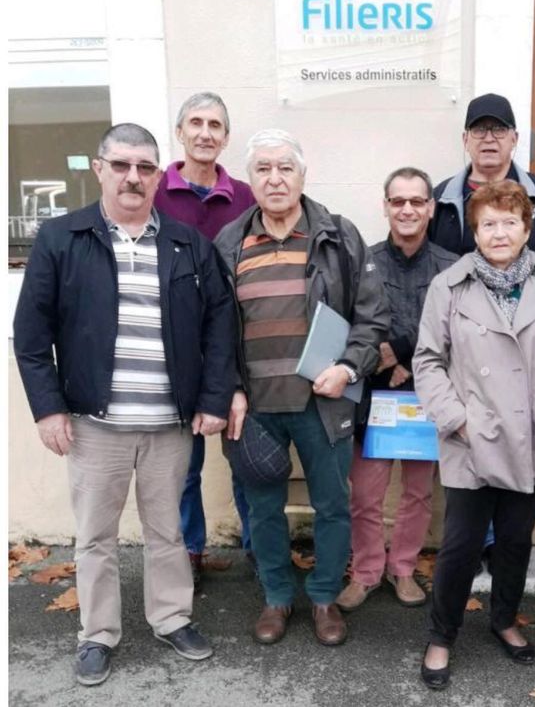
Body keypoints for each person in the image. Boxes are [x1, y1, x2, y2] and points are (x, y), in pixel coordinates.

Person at [13, 123, 236, 686]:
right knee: (94, 537)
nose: (133, 177)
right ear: (99, 169)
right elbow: (32, 333)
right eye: (121, 165)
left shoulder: (189, 244)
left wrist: (212, 398)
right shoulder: (62, 238)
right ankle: (98, 634)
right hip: (95, 424)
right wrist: (48, 408)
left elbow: (219, 326)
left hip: (168, 424)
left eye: (144, 167)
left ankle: (171, 618)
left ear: (159, 175)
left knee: (168, 532)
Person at [413, 180, 535, 689]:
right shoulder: (449, 285)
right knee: (460, 546)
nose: (498, 232)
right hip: (473, 438)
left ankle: (503, 619)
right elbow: (427, 361)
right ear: (475, 229)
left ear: (526, 227)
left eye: (508, 222)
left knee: (515, 540)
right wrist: (459, 420)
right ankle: (441, 634)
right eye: (488, 223)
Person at [214, 129, 389, 647]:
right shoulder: (229, 242)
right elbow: (211, 327)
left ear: (302, 175)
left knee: (332, 506)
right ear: (251, 179)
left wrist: (349, 369)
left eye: (285, 167)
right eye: (264, 168)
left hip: (323, 402)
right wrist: (230, 389)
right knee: (262, 508)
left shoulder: (338, 234)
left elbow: (372, 317)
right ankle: (275, 597)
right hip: (253, 408)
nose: (275, 178)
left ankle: (322, 598)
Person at [335, 167, 457, 612]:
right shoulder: (361, 261)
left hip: (426, 396)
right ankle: (367, 570)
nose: (407, 209)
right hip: (372, 396)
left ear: (430, 208)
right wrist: (382, 359)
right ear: (385, 206)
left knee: (418, 492)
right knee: (365, 494)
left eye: (416, 201)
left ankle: (403, 567)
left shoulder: (450, 266)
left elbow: (453, 331)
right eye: (398, 201)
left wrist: (404, 355)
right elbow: (351, 326)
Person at [154, 91, 255, 586]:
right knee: (183, 466)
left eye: (215, 125)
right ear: (180, 132)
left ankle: (260, 551)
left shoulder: (245, 197)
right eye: (195, 122)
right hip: (173, 351)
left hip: (237, 349)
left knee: (248, 461)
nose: (205, 133)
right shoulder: (154, 192)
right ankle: (189, 551)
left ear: (226, 137)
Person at [429, 92, 535, 272]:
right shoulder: (441, 199)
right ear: (465, 140)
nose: (489, 138)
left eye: (499, 129)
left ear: (514, 139)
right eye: (479, 130)